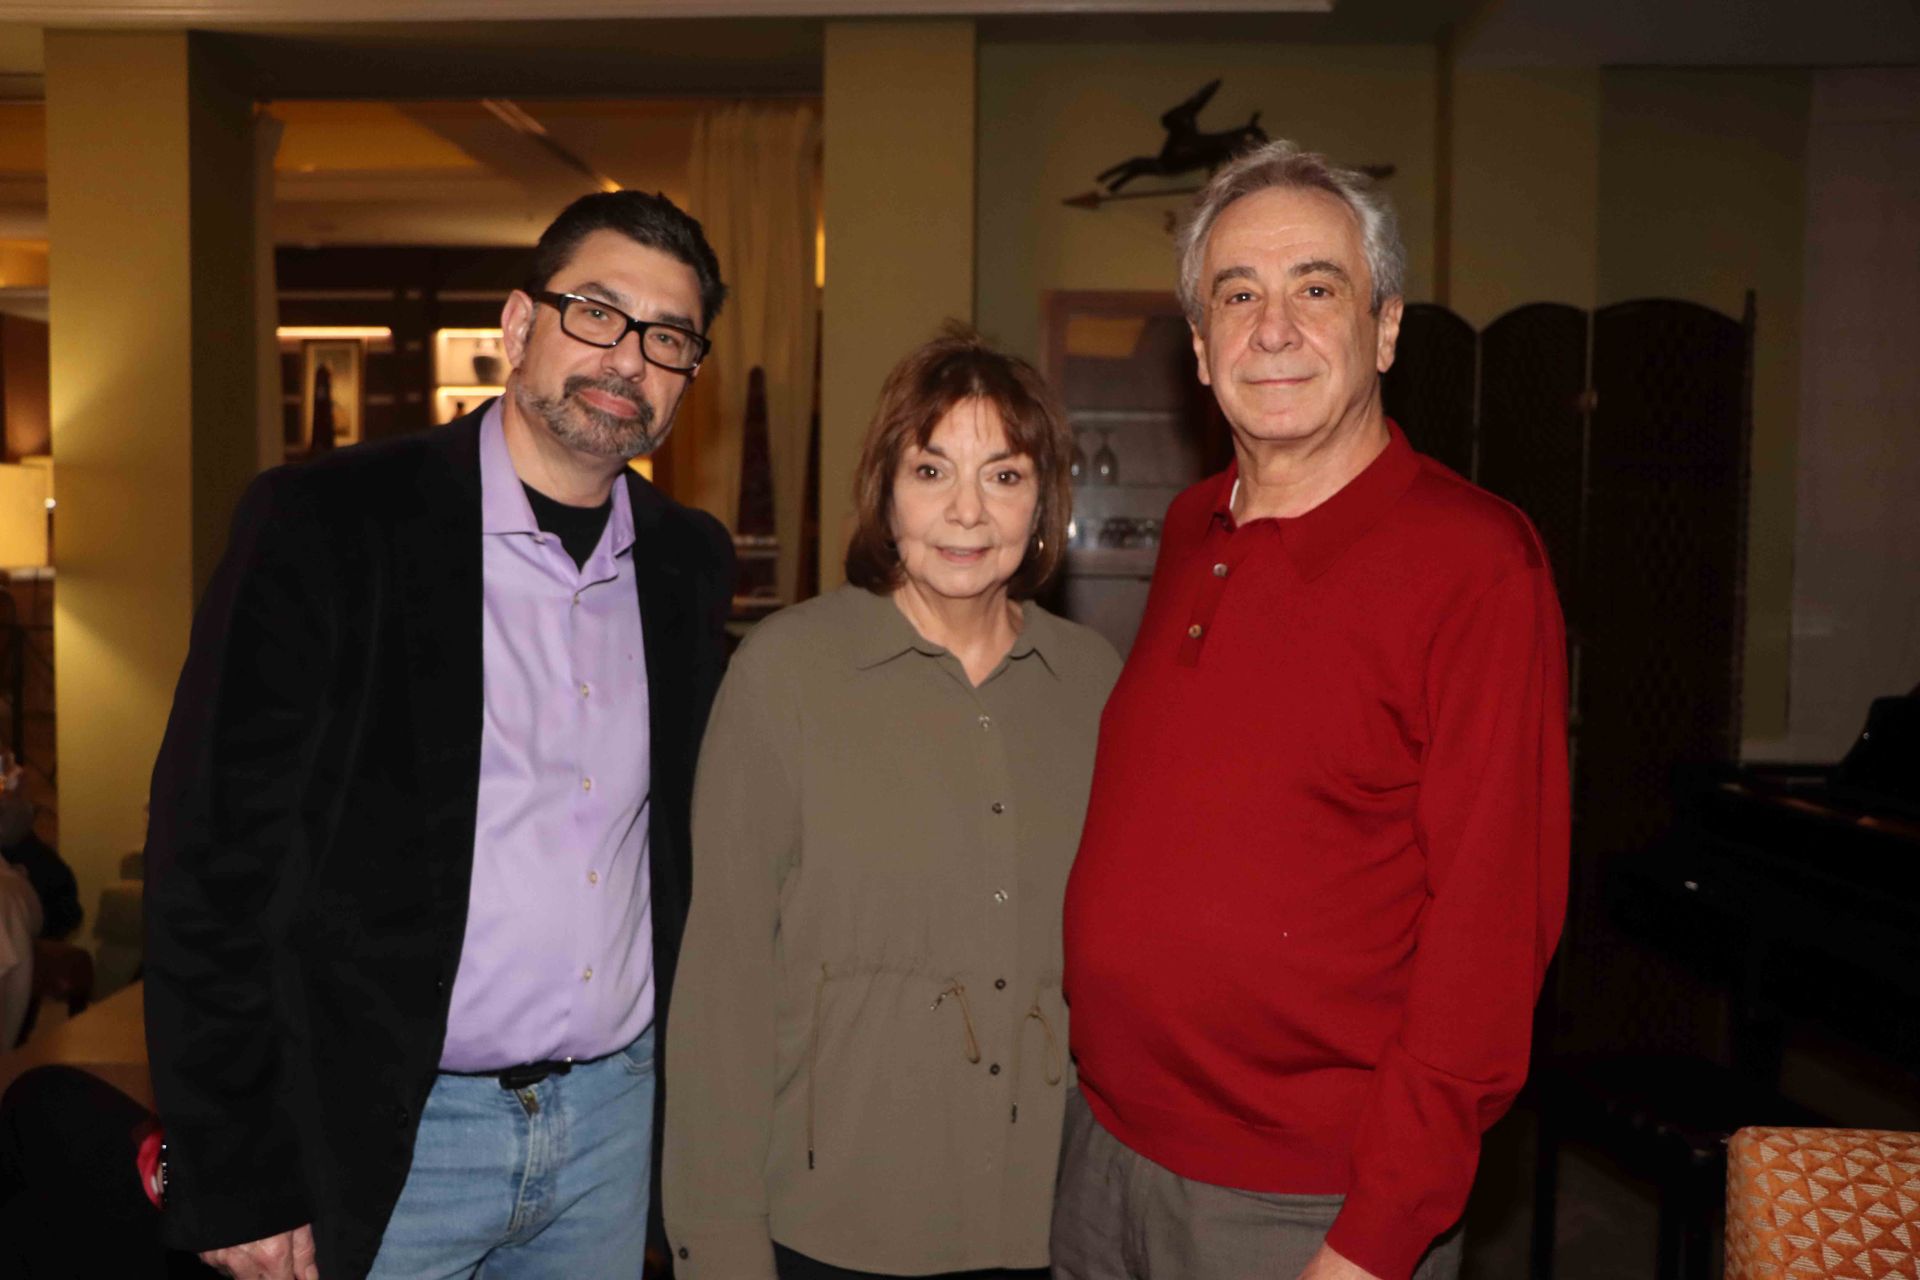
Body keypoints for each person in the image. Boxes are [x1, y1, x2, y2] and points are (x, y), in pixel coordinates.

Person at [143, 190, 735, 1280]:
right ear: (517, 327)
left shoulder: (688, 563)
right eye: (596, 312)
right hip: (390, 1137)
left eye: (668, 339)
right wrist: (234, 1163)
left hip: (611, 1127)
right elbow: (211, 859)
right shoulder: (326, 525)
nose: (628, 359)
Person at [1054, 140, 1569, 1280]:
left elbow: (1492, 931)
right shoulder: (1194, 529)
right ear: (1199, 348)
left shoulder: (1477, 563)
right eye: (1237, 294)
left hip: (1303, 1202)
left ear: (1385, 328)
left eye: (1316, 288)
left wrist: (1374, 1235)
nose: (1272, 327)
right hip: (1106, 1150)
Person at [664, 327, 1122, 1280]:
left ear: (1043, 503)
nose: (967, 510)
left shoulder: (1093, 681)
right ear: (884, 489)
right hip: (836, 1227)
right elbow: (724, 986)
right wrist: (718, 1242)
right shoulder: (784, 672)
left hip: (1047, 1218)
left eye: (1004, 475)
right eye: (931, 469)